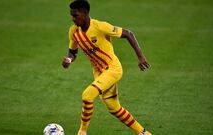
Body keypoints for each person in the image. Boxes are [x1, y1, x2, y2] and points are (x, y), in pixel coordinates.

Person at [62, 0, 152, 135]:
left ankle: (82, 132)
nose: (73, 19)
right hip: (99, 72)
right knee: (113, 107)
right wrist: (69, 59)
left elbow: (128, 33)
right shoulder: (73, 31)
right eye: (71, 15)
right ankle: (144, 133)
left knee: (87, 96)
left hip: (112, 69)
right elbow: (73, 52)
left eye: (76, 15)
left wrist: (140, 57)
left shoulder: (100, 26)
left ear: (85, 13)